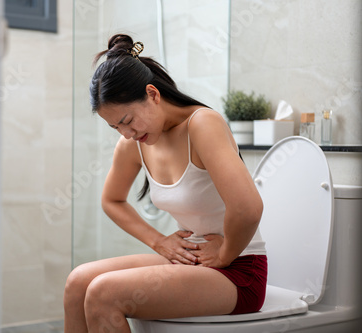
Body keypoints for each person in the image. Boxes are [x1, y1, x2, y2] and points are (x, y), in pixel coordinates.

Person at [64, 34, 267, 333]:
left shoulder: (202, 124)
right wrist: (159, 242)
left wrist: (225, 255)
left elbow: (248, 208)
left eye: (128, 120)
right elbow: (112, 200)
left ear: (153, 94)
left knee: (103, 294)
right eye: (115, 127)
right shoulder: (134, 143)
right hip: (190, 260)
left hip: (239, 270)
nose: (126, 133)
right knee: (78, 283)